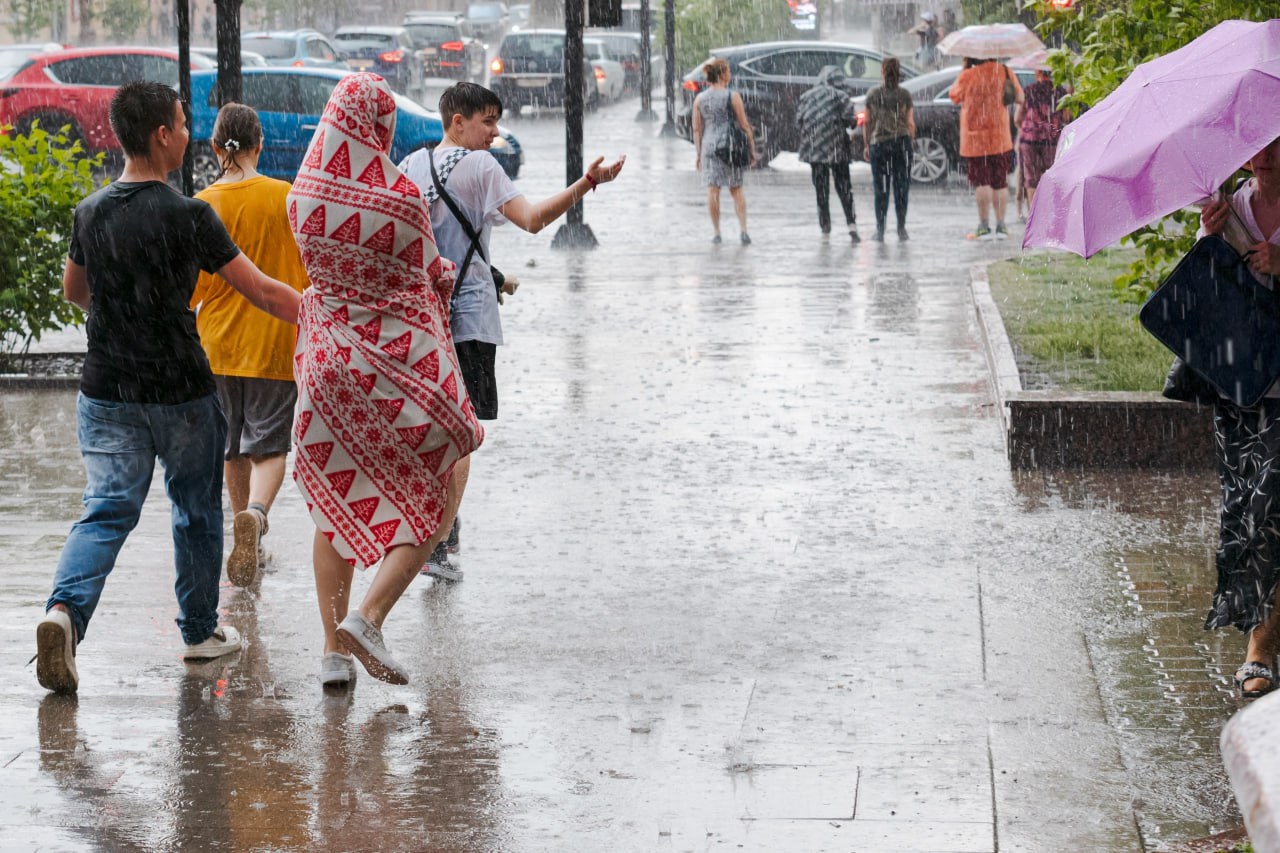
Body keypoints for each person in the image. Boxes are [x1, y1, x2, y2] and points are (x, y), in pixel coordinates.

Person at [34, 80, 302, 694]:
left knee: (104, 512)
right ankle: (200, 633)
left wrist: (124, 305)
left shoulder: (92, 211)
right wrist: (322, 314)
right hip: (179, 390)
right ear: (161, 135)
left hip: (106, 391)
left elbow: (76, 292)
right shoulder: (189, 215)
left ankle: (63, 615)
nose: (188, 134)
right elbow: (259, 289)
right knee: (196, 512)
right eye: (181, 124)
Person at [288, 73, 487, 688]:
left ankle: (332, 655)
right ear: (380, 126)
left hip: (325, 368)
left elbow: (322, 272)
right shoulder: (400, 195)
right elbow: (432, 275)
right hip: (395, 371)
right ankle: (370, 616)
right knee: (444, 473)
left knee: (334, 503)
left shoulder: (301, 196)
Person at [398, 81, 625, 581]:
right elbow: (535, 220)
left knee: (433, 431)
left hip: (423, 321)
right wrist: (586, 183)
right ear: (458, 122)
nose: (495, 133)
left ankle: (427, 533)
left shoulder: (411, 167)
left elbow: (406, 245)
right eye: (487, 121)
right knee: (462, 434)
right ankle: (439, 541)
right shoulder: (480, 166)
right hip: (471, 319)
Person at [191, 104, 310, 588]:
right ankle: (256, 517)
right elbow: (305, 274)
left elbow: (193, 290)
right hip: (272, 342)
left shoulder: (201, 204)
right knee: (270, 444)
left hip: (216, 344)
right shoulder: (285, 197)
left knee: (231, 447)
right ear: (260, 144)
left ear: (216, 148)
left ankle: (245, 528)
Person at [1198, 135, 1280, 699]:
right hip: (1245, 382)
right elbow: (1206, 295)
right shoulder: (1234, 206)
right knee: (1251, 512)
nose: (1265, 152)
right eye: (1256, 141)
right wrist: (1210, 236)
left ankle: (1260, 649)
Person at [950, 56, 1023, 240]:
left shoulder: (968, 75)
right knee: (1000, 182)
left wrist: (965, 69)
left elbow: (954, 96)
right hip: (1000, 136)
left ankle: (983, 226)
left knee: (982, 182)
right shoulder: (1004, 71)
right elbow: (1020, 97)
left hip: (975, 139)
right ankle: (1001, 226)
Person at [691, 57, 757, 245]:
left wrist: (698, 154)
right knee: (736, 189)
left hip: (709, 147)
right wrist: (751, 148)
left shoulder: (700, 99)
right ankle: (743, 230)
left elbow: (697, 129)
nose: (730, 75)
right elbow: (744, 125)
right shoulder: (732, 96)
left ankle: (716, 232)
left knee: (713, 190)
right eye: (727, 71)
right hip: (730, 147)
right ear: (720, 75)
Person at [796, 66, 859, 242]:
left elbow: (798, 121)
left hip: (815, 149)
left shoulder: (806, 96)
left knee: (821, 189)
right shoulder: (841, 96)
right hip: (837, 148)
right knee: (844, 188)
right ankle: (851, 224)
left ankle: (825, 225)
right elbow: (850, 121)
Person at [862, 57, 915, 241]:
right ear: (899, 72)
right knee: (902, 188)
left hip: (880, 144)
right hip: (902, 143)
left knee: (881, 188)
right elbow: (910, 123)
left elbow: (867, 121)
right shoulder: (905, 95)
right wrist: (910, 142)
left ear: (883, 72)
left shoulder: (873, 94)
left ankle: (881, 230)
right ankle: (901, 228)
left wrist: (867, 144)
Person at [1013, 65, 1069, 214]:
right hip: (1050, 140)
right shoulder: (1060, 93)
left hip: (1029, 140)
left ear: (1038, 72)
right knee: (1051, 176)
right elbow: (1066, 117)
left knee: (1031, 178)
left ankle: (1034, 214)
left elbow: (1017, 118)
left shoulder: (1029, 90)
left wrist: (1028, 126)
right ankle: (1050, 212)